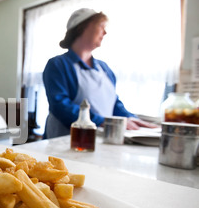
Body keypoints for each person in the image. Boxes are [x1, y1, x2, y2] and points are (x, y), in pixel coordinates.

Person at [42, 8, 157, 139]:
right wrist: (103, 121)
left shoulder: (104, 68)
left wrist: (132, 119)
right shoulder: (58, 65)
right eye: (101, 26)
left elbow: (113, 103)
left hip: (99, 140)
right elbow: (61, 106)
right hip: (64, 141)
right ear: (82, 27)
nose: (105, 32)